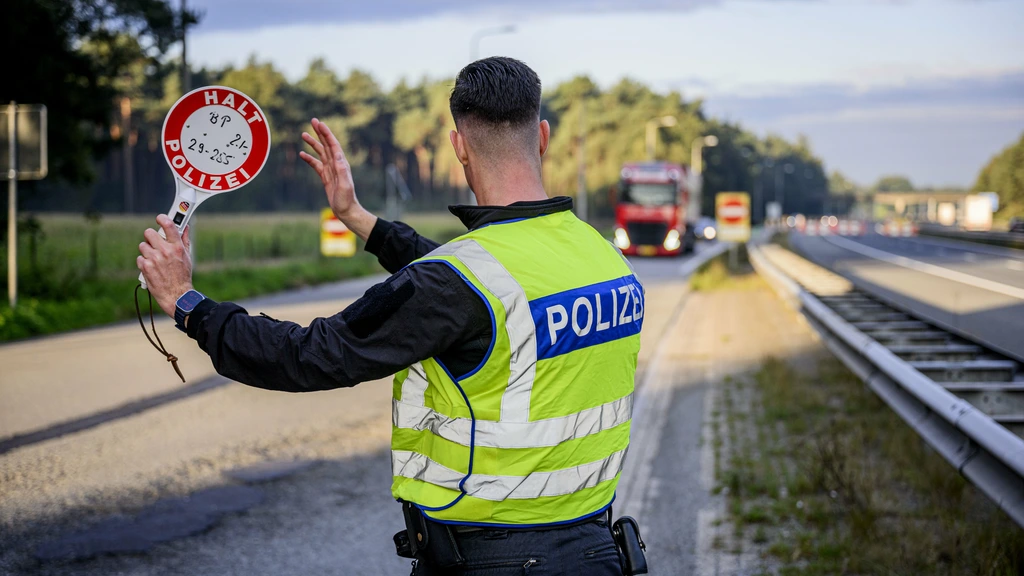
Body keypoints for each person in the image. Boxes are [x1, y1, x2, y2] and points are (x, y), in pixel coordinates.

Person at [138, 57, 646, 576]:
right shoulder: (602, 255)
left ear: (458, 148)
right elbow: (483, 288)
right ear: (542, 137)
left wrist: (187, 303)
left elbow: (307, 356)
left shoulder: (457, 284)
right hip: (595, 551)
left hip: (494, 559)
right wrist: (359, 219)